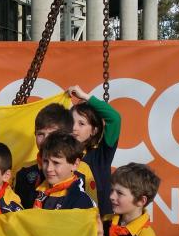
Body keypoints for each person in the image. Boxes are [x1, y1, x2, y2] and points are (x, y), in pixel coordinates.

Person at [67, 85, 122, 215]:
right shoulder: (61, 156)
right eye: (71, 122)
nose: (74, 128)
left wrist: (86, 97)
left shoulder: (100, 156)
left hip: (100, 226)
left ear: (94, 130)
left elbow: (115, 119)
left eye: (81, 124)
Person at [14, 103, 74, 208]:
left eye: (52, 134)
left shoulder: (80, 171)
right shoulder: (23, 171)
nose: (46, 140)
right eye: (40, 134)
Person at [33, 132, 96, 211]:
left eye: (56, 163)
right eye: (45, 161)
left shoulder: (80, 201)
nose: (49, 168)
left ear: (75, 164)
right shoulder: (37, 190)